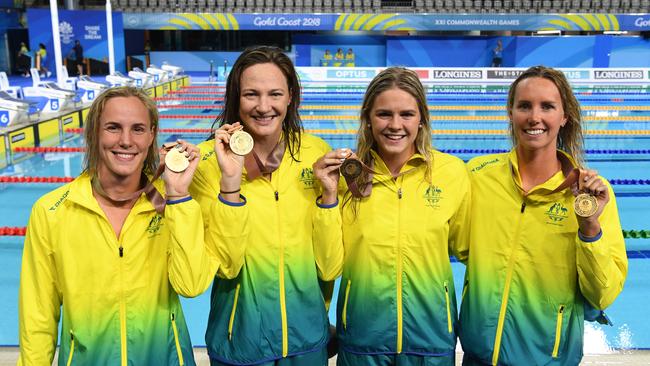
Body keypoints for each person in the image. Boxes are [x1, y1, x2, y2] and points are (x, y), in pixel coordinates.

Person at [18, 86, 218, 365]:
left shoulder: (173, 204)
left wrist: (179, 196)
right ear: (94, 133)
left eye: (138, 129)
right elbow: (37, 315)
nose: (126, 140)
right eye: (113, 127)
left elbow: (192, 285)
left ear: (151, 136)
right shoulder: (52, 211)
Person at [459, 66, 628, 365]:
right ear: (510, 113)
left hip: (549, 359)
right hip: (479, 356)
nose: (534, 117)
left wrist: (589, 226)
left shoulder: (591, 196)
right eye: (524, 106)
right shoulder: (477, 175)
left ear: (564, 117)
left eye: (547, 106)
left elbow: (602, 295)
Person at [189, 45, 343, 366]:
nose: (263, 106)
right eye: (251, 95)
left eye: (274, 94)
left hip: (306, 342)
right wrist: (230, 182)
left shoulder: (316, 154)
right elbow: (226, 265)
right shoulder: (206, 164)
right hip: (240, 344)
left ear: (291, 98)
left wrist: (329, 198)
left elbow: (329, 266)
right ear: (236, 98)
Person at [333, 67, 470, 366]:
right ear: (368, 118)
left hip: (431, 338)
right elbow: (326, 261)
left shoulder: (451, 173)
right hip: (362, 339)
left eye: (407, 114)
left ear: (421, 119)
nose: (395, 125)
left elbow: (469, 251)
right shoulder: (344, 178)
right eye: (384, 114)